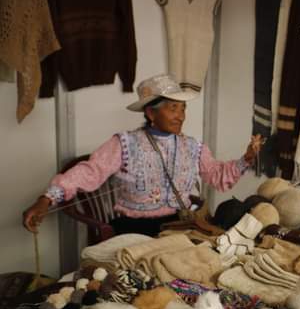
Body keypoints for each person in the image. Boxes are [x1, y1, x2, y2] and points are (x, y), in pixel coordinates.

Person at [22, 74, 263, 237]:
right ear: (150, 112)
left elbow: (217, 175)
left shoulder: (193, 147)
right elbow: (89, 172)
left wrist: (246, 158)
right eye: (172, 108)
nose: (180, 115)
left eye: (183, 108)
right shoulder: (125, 144)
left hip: (182, 224)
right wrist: (47, 199)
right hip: (136, 229)